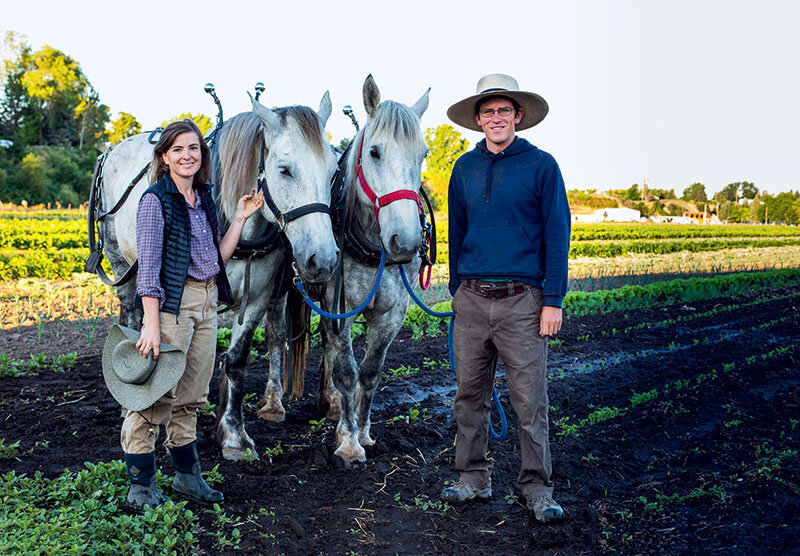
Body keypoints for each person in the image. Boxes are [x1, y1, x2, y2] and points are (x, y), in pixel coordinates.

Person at [441, 74, 570, 522]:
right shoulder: (464, 168)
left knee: (529, 401)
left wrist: (552, 299)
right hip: (473, 299)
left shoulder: (542, 166)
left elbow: (557, 233)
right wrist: (457, 289)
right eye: (488, 111)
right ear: (478, 120)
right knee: (468, 396)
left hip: (524, 302)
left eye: (504, 111)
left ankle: (537, 488)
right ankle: (473, 478)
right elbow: (456, 232)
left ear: (518, 116)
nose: (496, 118)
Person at [121, 119, 263, 511]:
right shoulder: (156, 201)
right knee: (153, 395)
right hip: (171, 308)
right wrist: (151, 323)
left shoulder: (203, 201)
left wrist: (238, 219)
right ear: (165, 157)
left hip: (205, 305)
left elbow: (214, 259)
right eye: (178, 149)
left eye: (194, 149)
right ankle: (141, 486)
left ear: (203, 156)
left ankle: (187, 478)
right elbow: (148, 270)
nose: (187, 155)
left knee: (191, 397)